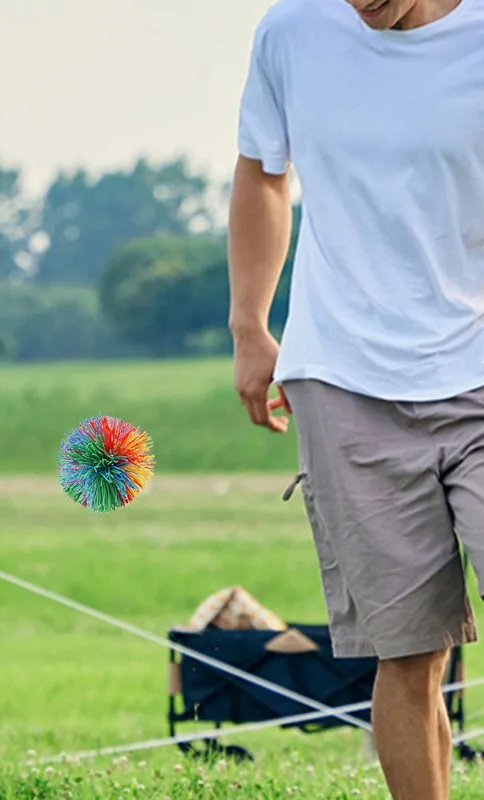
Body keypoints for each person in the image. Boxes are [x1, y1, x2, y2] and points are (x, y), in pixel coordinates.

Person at [228, 0, 484, 797]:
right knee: (406, 652)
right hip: (345, 378)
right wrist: (249, 324)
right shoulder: (291, 32)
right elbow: (262, 172)